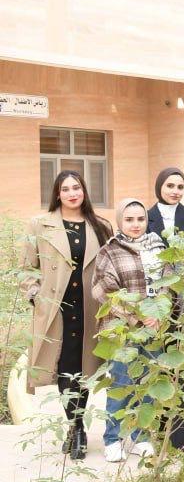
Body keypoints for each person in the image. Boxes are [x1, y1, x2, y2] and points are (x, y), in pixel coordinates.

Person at [22, 170, 111, 460]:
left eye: (77, 187)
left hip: (90, 305)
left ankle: (77, 425)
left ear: (84, 190)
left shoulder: (100, 226)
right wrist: (36, 295)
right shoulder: (40, 224)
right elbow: (27, 268)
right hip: (57, 307)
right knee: (65, 365)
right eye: (66, 189)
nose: (72, 193)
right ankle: (76, 427)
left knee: (84, 366)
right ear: (57, 194)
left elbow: (109, 266)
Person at [93, 198, 164, 461]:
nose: (136, 224)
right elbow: (105, 290)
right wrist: (138, 316)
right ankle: (112, 439)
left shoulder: (158, 247)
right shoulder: (110, 251)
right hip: (122, 328)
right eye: (129, 219)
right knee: (121, 382)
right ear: (120, 221)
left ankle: (140, 436)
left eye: (141, 219)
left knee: (147, 382)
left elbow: (168, 282)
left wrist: (158, 313)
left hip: (155, 326)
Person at [146, 167, 184, 237]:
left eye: (180, 187)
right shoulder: (145, 217)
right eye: (170, 186)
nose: (175, 192)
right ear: (159, 186)